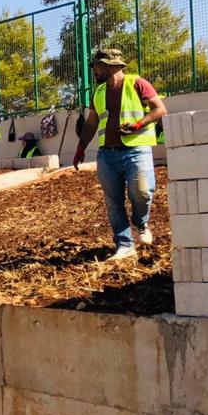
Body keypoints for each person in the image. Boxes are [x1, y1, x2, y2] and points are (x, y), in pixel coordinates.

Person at [72, 48, 167, 260]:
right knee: (113, 202)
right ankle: (124, 244)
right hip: (107, 154)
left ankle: (141, 222)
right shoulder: (98, 93)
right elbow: (91, 123)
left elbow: (160, 109)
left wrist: (138, 124)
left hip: (136, 150)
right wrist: (80, 148)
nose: (94, 71)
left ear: (109, 66)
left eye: (97, 66)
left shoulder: (137, 83)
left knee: (142, 191)